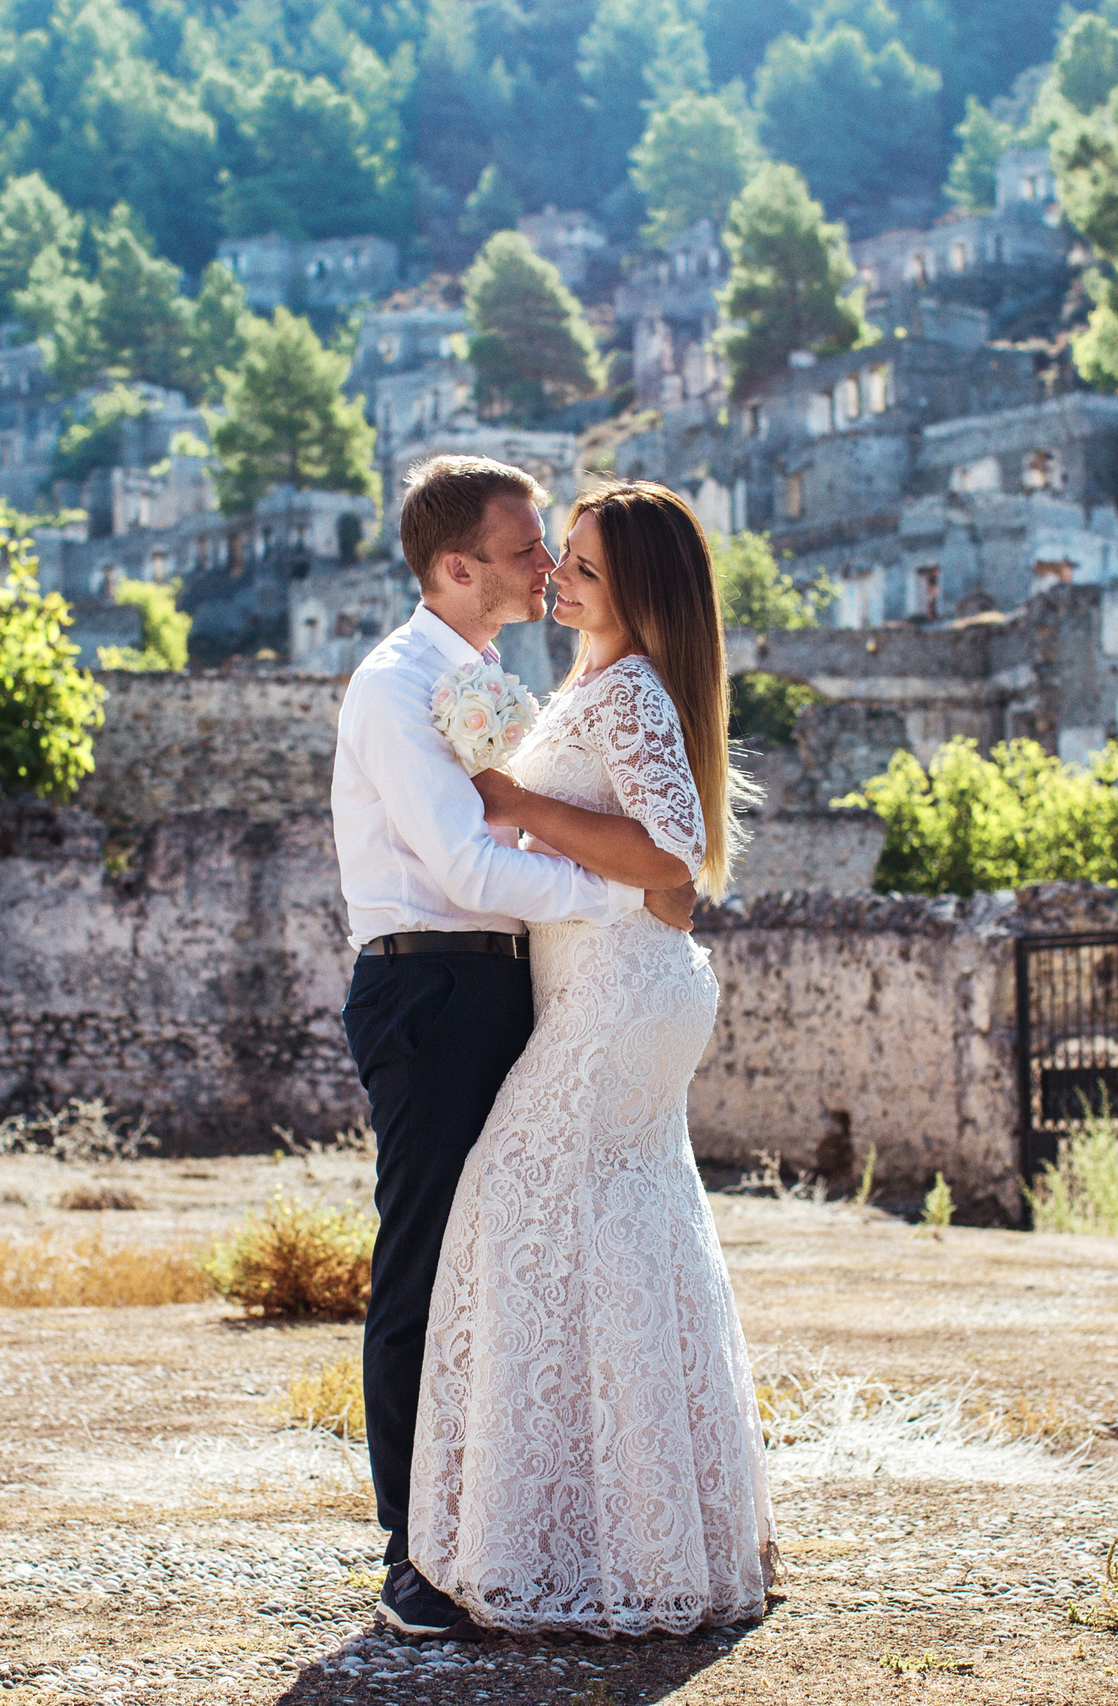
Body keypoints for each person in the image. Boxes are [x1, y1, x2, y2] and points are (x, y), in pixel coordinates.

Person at [331, 456, 699, 1638]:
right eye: (528, 546)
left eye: (559, 549)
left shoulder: (491, 674)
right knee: (428, 1263)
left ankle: (512, 1523)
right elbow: (465, 867)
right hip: (431, 984)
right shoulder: (397, 687)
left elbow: (550, 826)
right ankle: (411, 1551)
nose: (546, 566)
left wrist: (607, 886)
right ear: (455, 566)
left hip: (513, 985)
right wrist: (619, 896)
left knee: (508, 1258)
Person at [407, 479, 777, 1637]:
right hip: (616, 986)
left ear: (641, 593)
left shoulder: (624, 689)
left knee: (514, 1202)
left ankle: (568, 1538)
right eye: (561, 555)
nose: (558, 577)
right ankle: (648, 1533)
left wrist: (512, 795)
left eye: (586, 568)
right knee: (623, 1229)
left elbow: (672, 854)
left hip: (621, 993)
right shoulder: (597, 682)